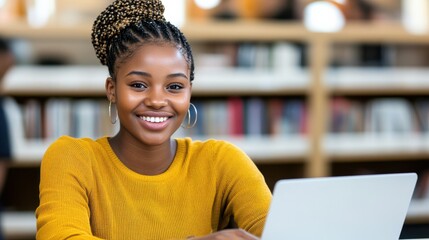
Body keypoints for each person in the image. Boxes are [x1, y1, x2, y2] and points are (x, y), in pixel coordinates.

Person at [35, 0, 272, 239]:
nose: (157, 100)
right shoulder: (72, 158)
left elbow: (280, 231)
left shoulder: (222, 162)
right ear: (112, 89)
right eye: (138, 85)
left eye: (174, 86)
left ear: (189, 92)